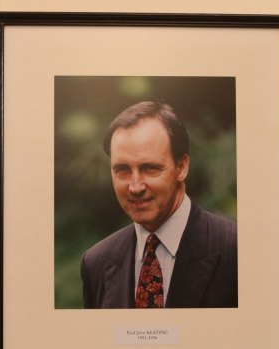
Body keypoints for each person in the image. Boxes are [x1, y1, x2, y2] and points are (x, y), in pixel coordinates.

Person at [81, 101, 237, 308]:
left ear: (181, 167)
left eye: (150, 168)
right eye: (123, 170)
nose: (135, 186)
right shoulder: (96, 263)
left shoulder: (235, 250)